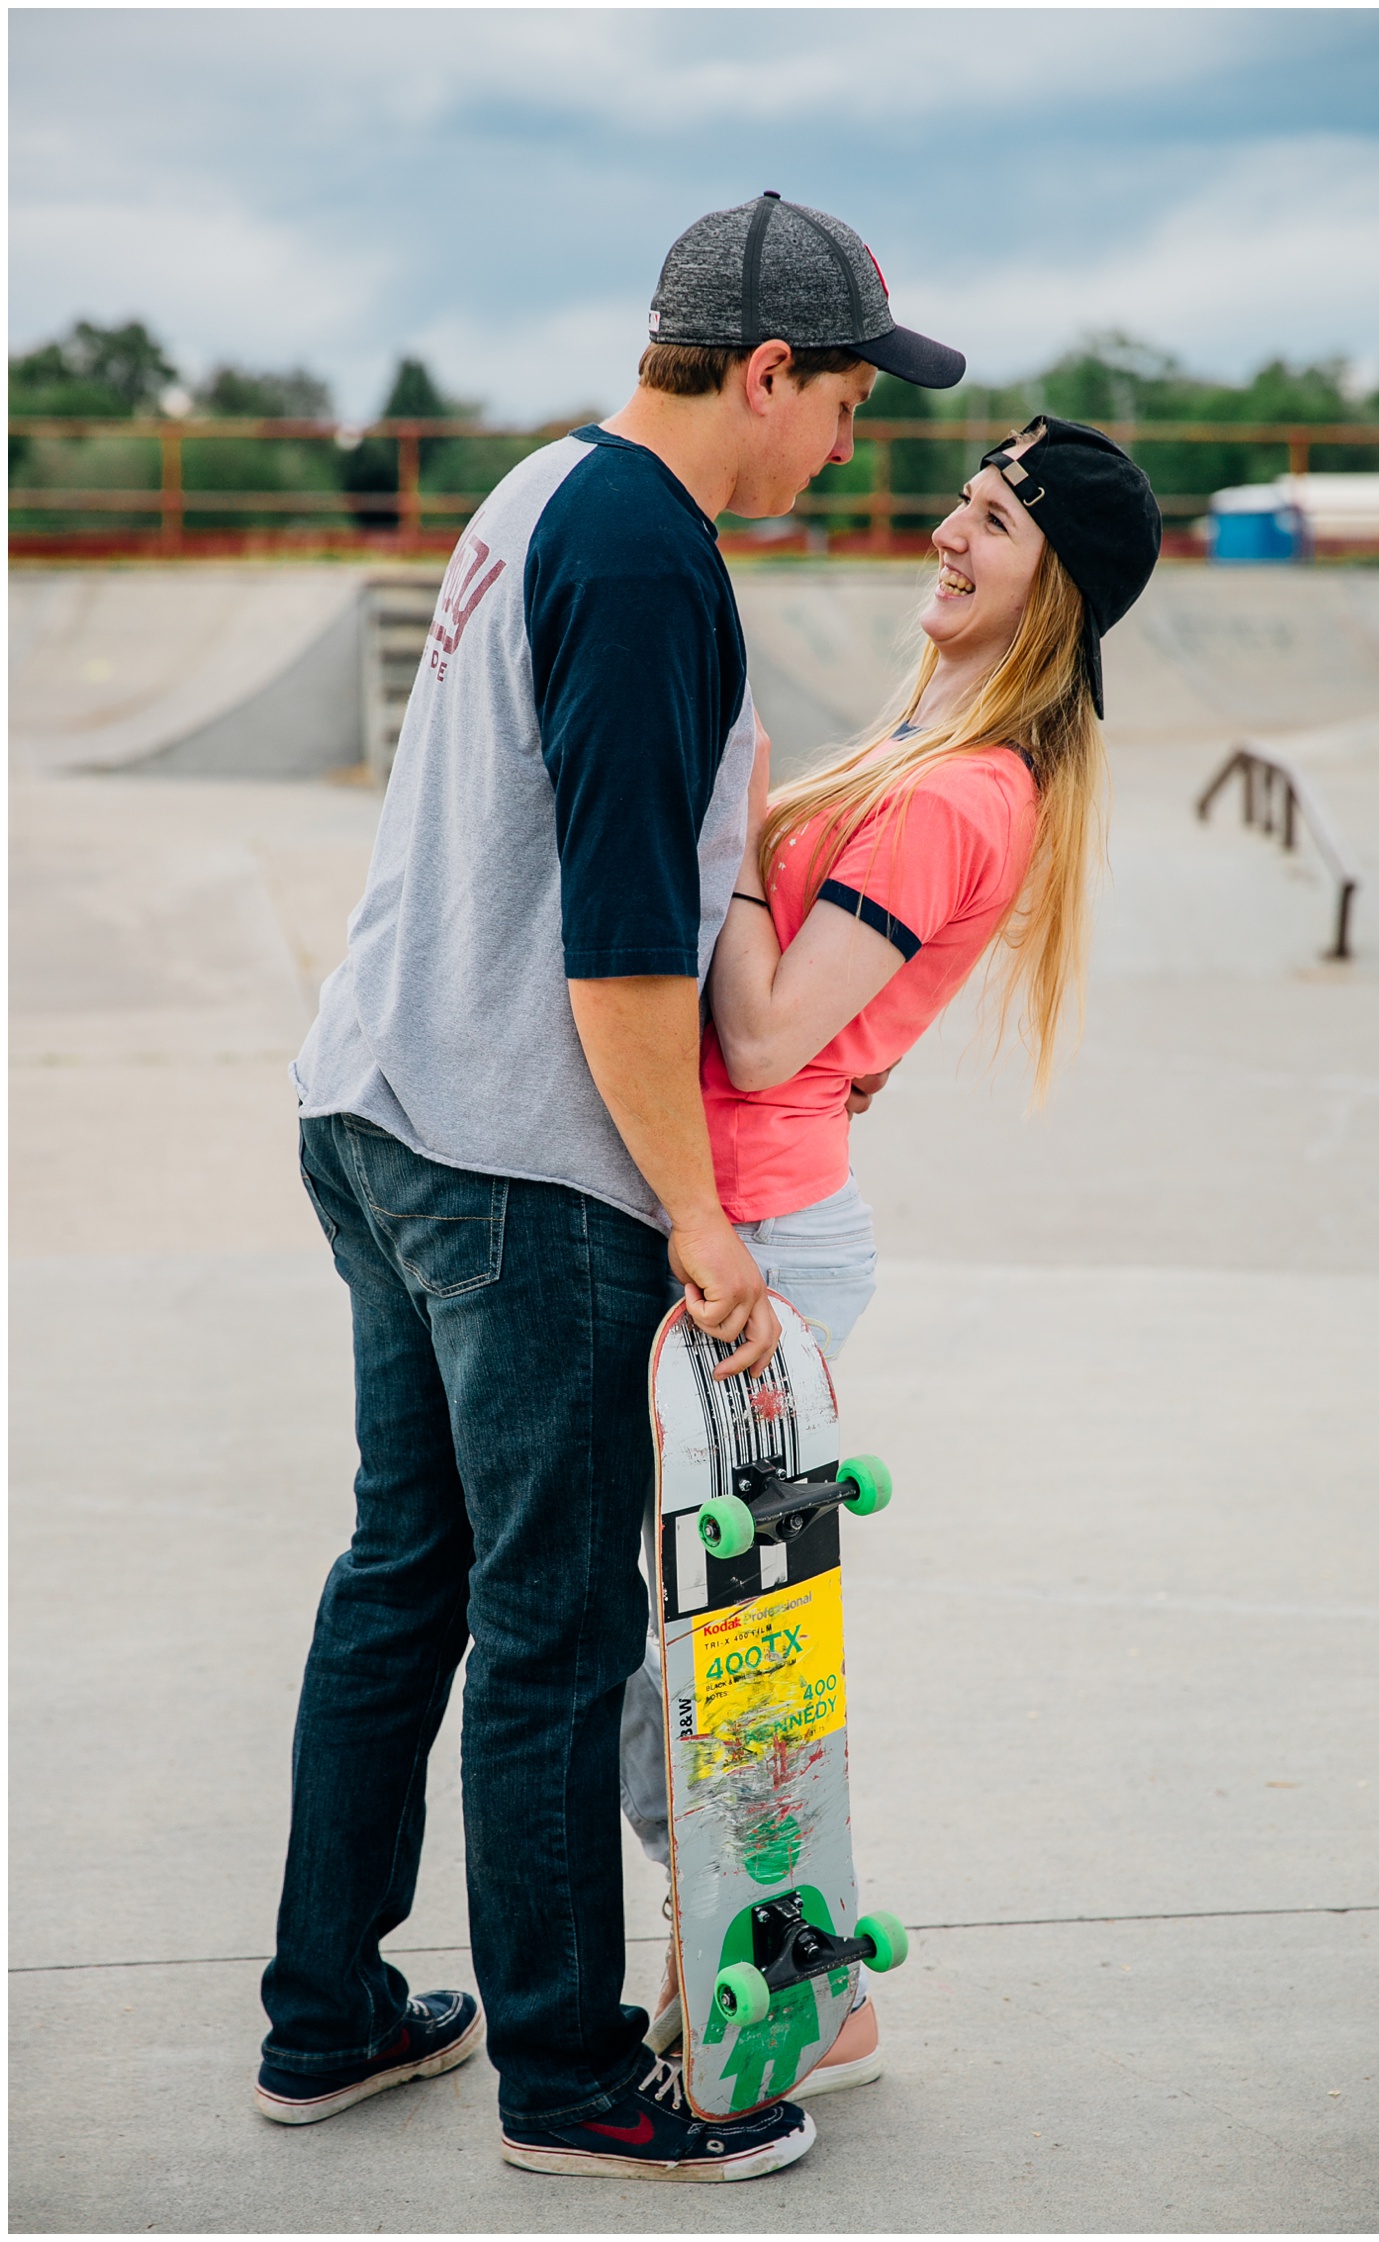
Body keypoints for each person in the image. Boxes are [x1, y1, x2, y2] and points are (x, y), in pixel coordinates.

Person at [253, 192, 964, 2183]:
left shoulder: (542, 485)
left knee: (407, 1573)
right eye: (840, 403)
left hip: (374, 1106)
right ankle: (569, 2078)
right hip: (507, 1161)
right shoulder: (659, 564)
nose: (850, 447)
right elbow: (629, 964)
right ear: (762, 374)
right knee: (553, 1626)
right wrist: (700, 1213)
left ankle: (326, 2015)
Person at [620, 415, 1163, 2083]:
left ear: (1050, 587)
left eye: (991, 520)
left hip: (760, 1236)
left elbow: (775, 1036)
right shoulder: (939, 749)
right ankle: (747, 1951)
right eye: (964, 501)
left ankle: (809, 1972)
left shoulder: (959, 794)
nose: (948, 529)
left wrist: (726, 837)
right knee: (672, 1644)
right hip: (748, 1214)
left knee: (686, 1659)